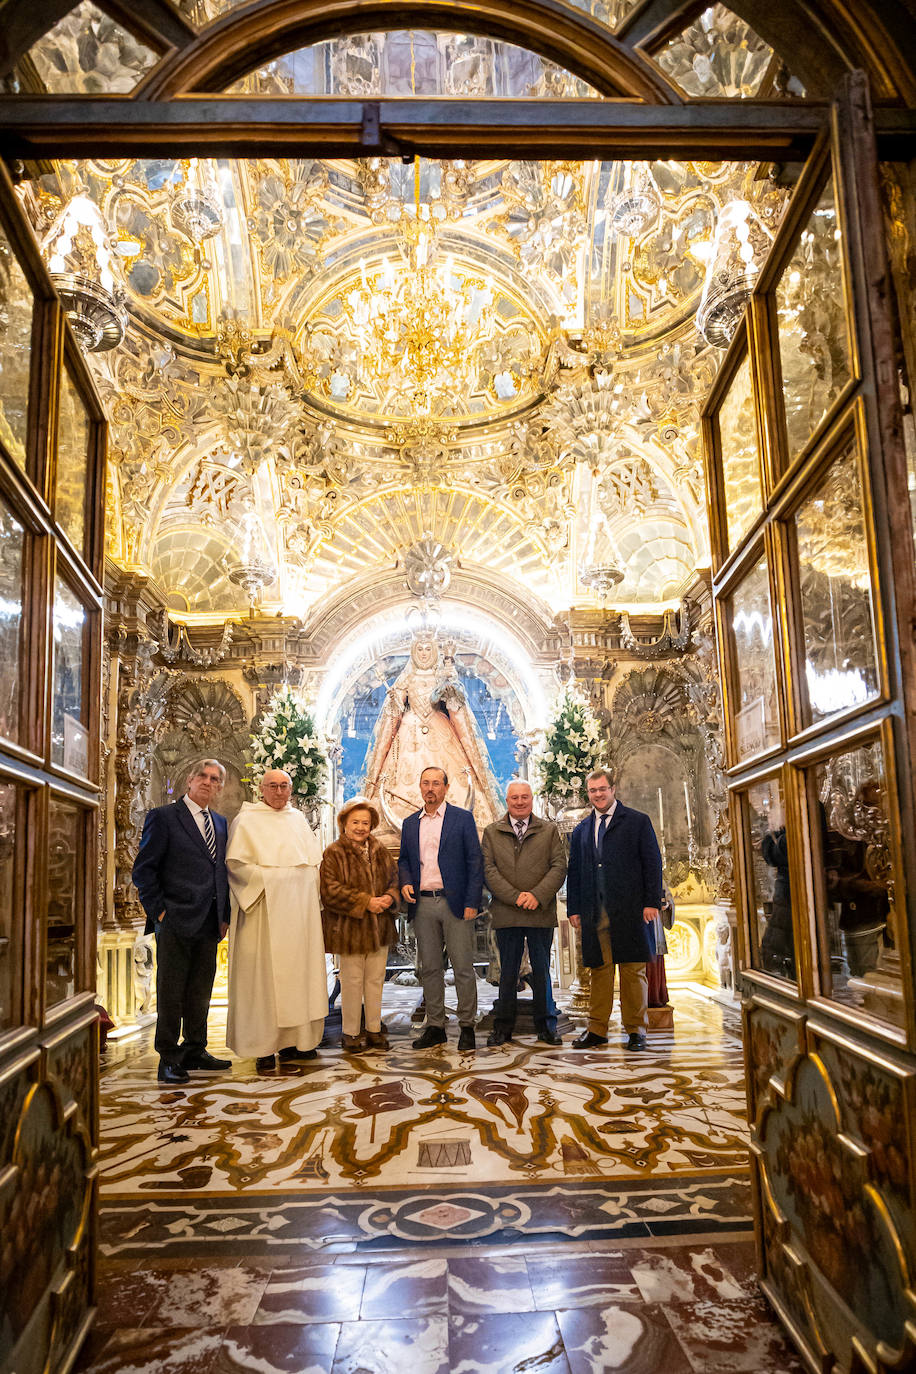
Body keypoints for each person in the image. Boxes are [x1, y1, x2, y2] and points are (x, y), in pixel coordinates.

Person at [132, 758, 232, 1084]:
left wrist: (224, 916)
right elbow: (143, 870)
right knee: (172, 991)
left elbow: (221, 873)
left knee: (200, 990)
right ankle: (168, 1059)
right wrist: (160, 912)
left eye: (214, 778)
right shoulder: (163, 817)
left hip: (208, 921)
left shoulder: (220, 823)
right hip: (174, 919)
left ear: (219, 787)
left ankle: (195, 1049)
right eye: (201, 775)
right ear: (189, 780)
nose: (207, 781)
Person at [225, 769, 327, 1072]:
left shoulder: (297, 820)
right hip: (263, 917)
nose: (279, 792)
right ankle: (264, 1047)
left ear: (291, 790)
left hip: (299, 918)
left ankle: (298, 1041)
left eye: (284, 786)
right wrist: (279, 879)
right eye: (273, 786)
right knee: (264, 983)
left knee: (299, 976)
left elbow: (313, 865)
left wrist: (301, 881)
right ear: (261, 789)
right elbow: (238, 866)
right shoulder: (247, 820)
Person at [566, 767, 662, 1052]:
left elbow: (652, 864)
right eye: (593, 791)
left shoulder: (636, 821)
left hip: (631, 910)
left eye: (602, 789)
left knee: (633, 971)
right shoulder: (582, 829)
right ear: (588, 794)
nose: (598, 795)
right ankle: (597, 1029)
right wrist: (574, 908)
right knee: (600, 971)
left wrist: (651, 902)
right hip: (595, 911)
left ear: (613, 789)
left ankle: (635, 1030)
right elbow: (575, 871)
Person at [364, 635, 500, 830]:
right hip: (409, 733)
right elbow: (394, 713)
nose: (424, 653)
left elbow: (453, 702)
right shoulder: (407, 679)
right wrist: (394, 701)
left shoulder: (442, 675)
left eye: (428, 649)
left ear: (434, 652)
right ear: (413, 653)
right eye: (420, 649)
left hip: (440, 728)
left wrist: (449, 679)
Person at [398, 765, 484, 1051]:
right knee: (430, 968)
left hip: (455, 903)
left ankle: (467, 1026)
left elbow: (474, 862)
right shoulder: (411, 823)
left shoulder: (462, 819)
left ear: (446, 788)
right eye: (426, 783)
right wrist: (406, 882)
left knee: (462, 967)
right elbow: (405, 861)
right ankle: (435, 1026)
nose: (430, 788)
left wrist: (473, 901)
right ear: (420, 788)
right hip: (422, 904)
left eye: (436, 783)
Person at [482, 780, 567, 1046]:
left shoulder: (549, 830)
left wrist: (536, 895)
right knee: (508, 971)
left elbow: (558, 866)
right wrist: (515, 896)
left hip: (539, 912)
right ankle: (503, 1027)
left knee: (542, 970)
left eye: (525, 797)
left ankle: (547, 1026)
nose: (520, 802)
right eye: (514, 798)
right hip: (507, 912)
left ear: (532, 799)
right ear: (507, 801)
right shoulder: (492, 832)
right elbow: (489, 870)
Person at [320, 797, 400, 1051]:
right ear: (344, 823)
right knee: (352, 982)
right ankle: (351, 1033)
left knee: (376, 981)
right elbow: (329, 891)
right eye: (355, 822)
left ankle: (374, 1029)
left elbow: (394, 880)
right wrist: (366, 902)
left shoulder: (380, 850)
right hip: (349, 930)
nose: (360, 827)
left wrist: (389, 897)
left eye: (365, 822)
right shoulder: (333, 852)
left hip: (380, 928)